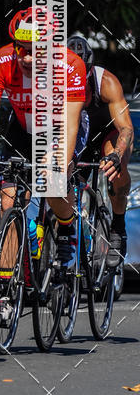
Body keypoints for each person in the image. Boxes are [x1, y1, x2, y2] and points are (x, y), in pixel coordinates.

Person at [0, 9, 88, 295]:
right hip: (23, 128)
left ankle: (68, 228)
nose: (27, 58)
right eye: (21, 49)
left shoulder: (70, 65)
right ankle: (6, 288)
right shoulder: (1, 60)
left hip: (61, 128)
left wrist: (61, 162)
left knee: (52, 181)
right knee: (8, 203)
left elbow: (70, 125)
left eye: (35, 51)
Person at [68, 33, 134, 265]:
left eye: (81, 75)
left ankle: (117, 224)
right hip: (77, 135)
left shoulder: (106, 82)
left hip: (107, 134)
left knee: (114, 167)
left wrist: (117, 154)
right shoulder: (55, 82)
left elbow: (126, 128)